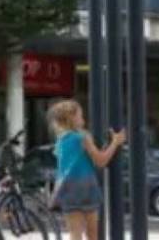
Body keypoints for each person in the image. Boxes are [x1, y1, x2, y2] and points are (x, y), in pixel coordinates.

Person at [49, 99, 126, 240]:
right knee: (92, 234)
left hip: (66, 188)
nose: (83, 119)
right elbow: (101, 161)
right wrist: (115, 143)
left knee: (75, 233)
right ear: (71, 118)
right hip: (85, 187)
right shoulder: (82, 138)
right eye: (80, 115)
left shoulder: (61, 140)